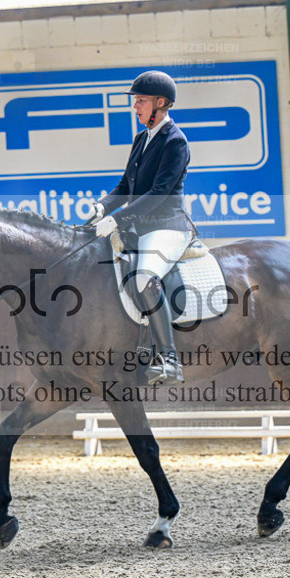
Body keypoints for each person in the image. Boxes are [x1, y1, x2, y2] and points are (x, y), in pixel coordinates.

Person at [92, 70, 196, 385]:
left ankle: (168, 358)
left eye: (141, 101)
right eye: (136, 101)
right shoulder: (142, 139)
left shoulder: (175, 140)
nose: (135, 107)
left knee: (145, 278)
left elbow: (159, 193)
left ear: (160, 103)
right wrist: (103, 207)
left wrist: (119, 218)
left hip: (168, 227)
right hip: (141, 228)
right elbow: (126, 185)